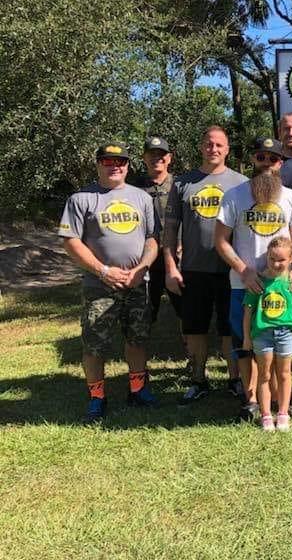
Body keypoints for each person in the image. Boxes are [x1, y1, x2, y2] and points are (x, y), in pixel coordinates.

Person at [58, 143, 160, 423]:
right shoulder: (82, 198)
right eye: (108, 161)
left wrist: (142, 268)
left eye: (120, 161)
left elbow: (152, 238)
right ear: (98, 164)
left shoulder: (141, 198)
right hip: (100, 285)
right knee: (94, 344)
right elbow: (71, 241)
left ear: (128, 165)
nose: (115, 165)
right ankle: (97, 396)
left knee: (137, 339)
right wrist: (103, 271)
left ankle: (138, 390)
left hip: (136, 282)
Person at [215, 137, 292, 422]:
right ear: (253, 159)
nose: (267, 164)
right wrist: (244, 269)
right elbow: (220, 241)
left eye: (273, 159)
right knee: (246, 343)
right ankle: (251, 398)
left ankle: (279, 402)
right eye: (261, 157)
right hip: (245, 283)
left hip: (279, 286)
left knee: (280, 344)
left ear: (281, 163)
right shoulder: (234, 195)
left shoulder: (290, 197)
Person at [164, 126, 247, 404]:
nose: (214, 149)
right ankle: (198, 380)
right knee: (195, 328)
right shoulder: (182, 183)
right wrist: (170, 267)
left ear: (227, 149)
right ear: (201, 147)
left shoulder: (241, 183)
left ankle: (234, 379)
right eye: (209, 144)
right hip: (193, 268)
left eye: (219, 145)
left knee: (229, 327)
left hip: (230, 269)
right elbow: (170, 229)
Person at [242, 236, 292, 432]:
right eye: (272, 259)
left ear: (291, 259)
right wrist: (246, 337)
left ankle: (284, 413)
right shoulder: (259, 282)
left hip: (286, 333)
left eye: (281, 260)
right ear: (267, 258)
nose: (276, 264)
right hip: (262, 334)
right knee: (265, 374)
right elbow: (248, 311)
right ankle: (266, 415)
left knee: (285, 373)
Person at [130, 136, 182, 325]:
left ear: (169, 158)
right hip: (145, 258)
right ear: (144, 158)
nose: (156, 159)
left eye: (161, 155)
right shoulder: (133, 188)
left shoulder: (181, 185)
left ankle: (189, 347)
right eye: (151, 155)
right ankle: (140, 348)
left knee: (184, 307)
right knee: (145, 309)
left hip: (176, 258)